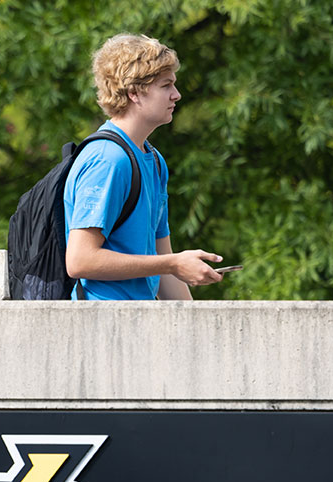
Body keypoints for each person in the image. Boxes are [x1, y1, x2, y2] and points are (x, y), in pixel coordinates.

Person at [64, 33, 223, 300]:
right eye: (166, 85)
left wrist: (197, 332)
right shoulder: (108, 160)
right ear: (134, 92)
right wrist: (173, 263)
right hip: (101, 328)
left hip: (141, 326)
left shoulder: (154, 160)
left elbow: (163, 262)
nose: (177, 95)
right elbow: (80, 261)